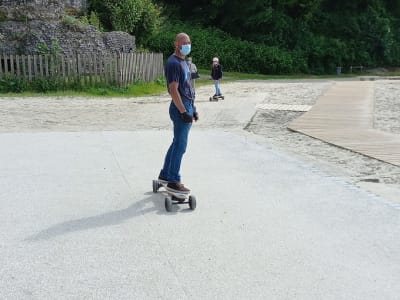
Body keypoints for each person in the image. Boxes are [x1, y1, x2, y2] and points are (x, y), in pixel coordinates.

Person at [158, 33, 199, 194]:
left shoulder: (183, 62)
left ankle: (165, 175)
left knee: (176, 143)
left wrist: (192, 109)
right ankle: (173, 181)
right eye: (184, 43)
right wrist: (183, 111)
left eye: (189, 42)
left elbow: (187, 87)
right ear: (176, 44)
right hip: (179, 107)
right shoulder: (174, 63)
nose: (187, 45)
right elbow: (173, 89)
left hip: (186, 105)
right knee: (181, 145)